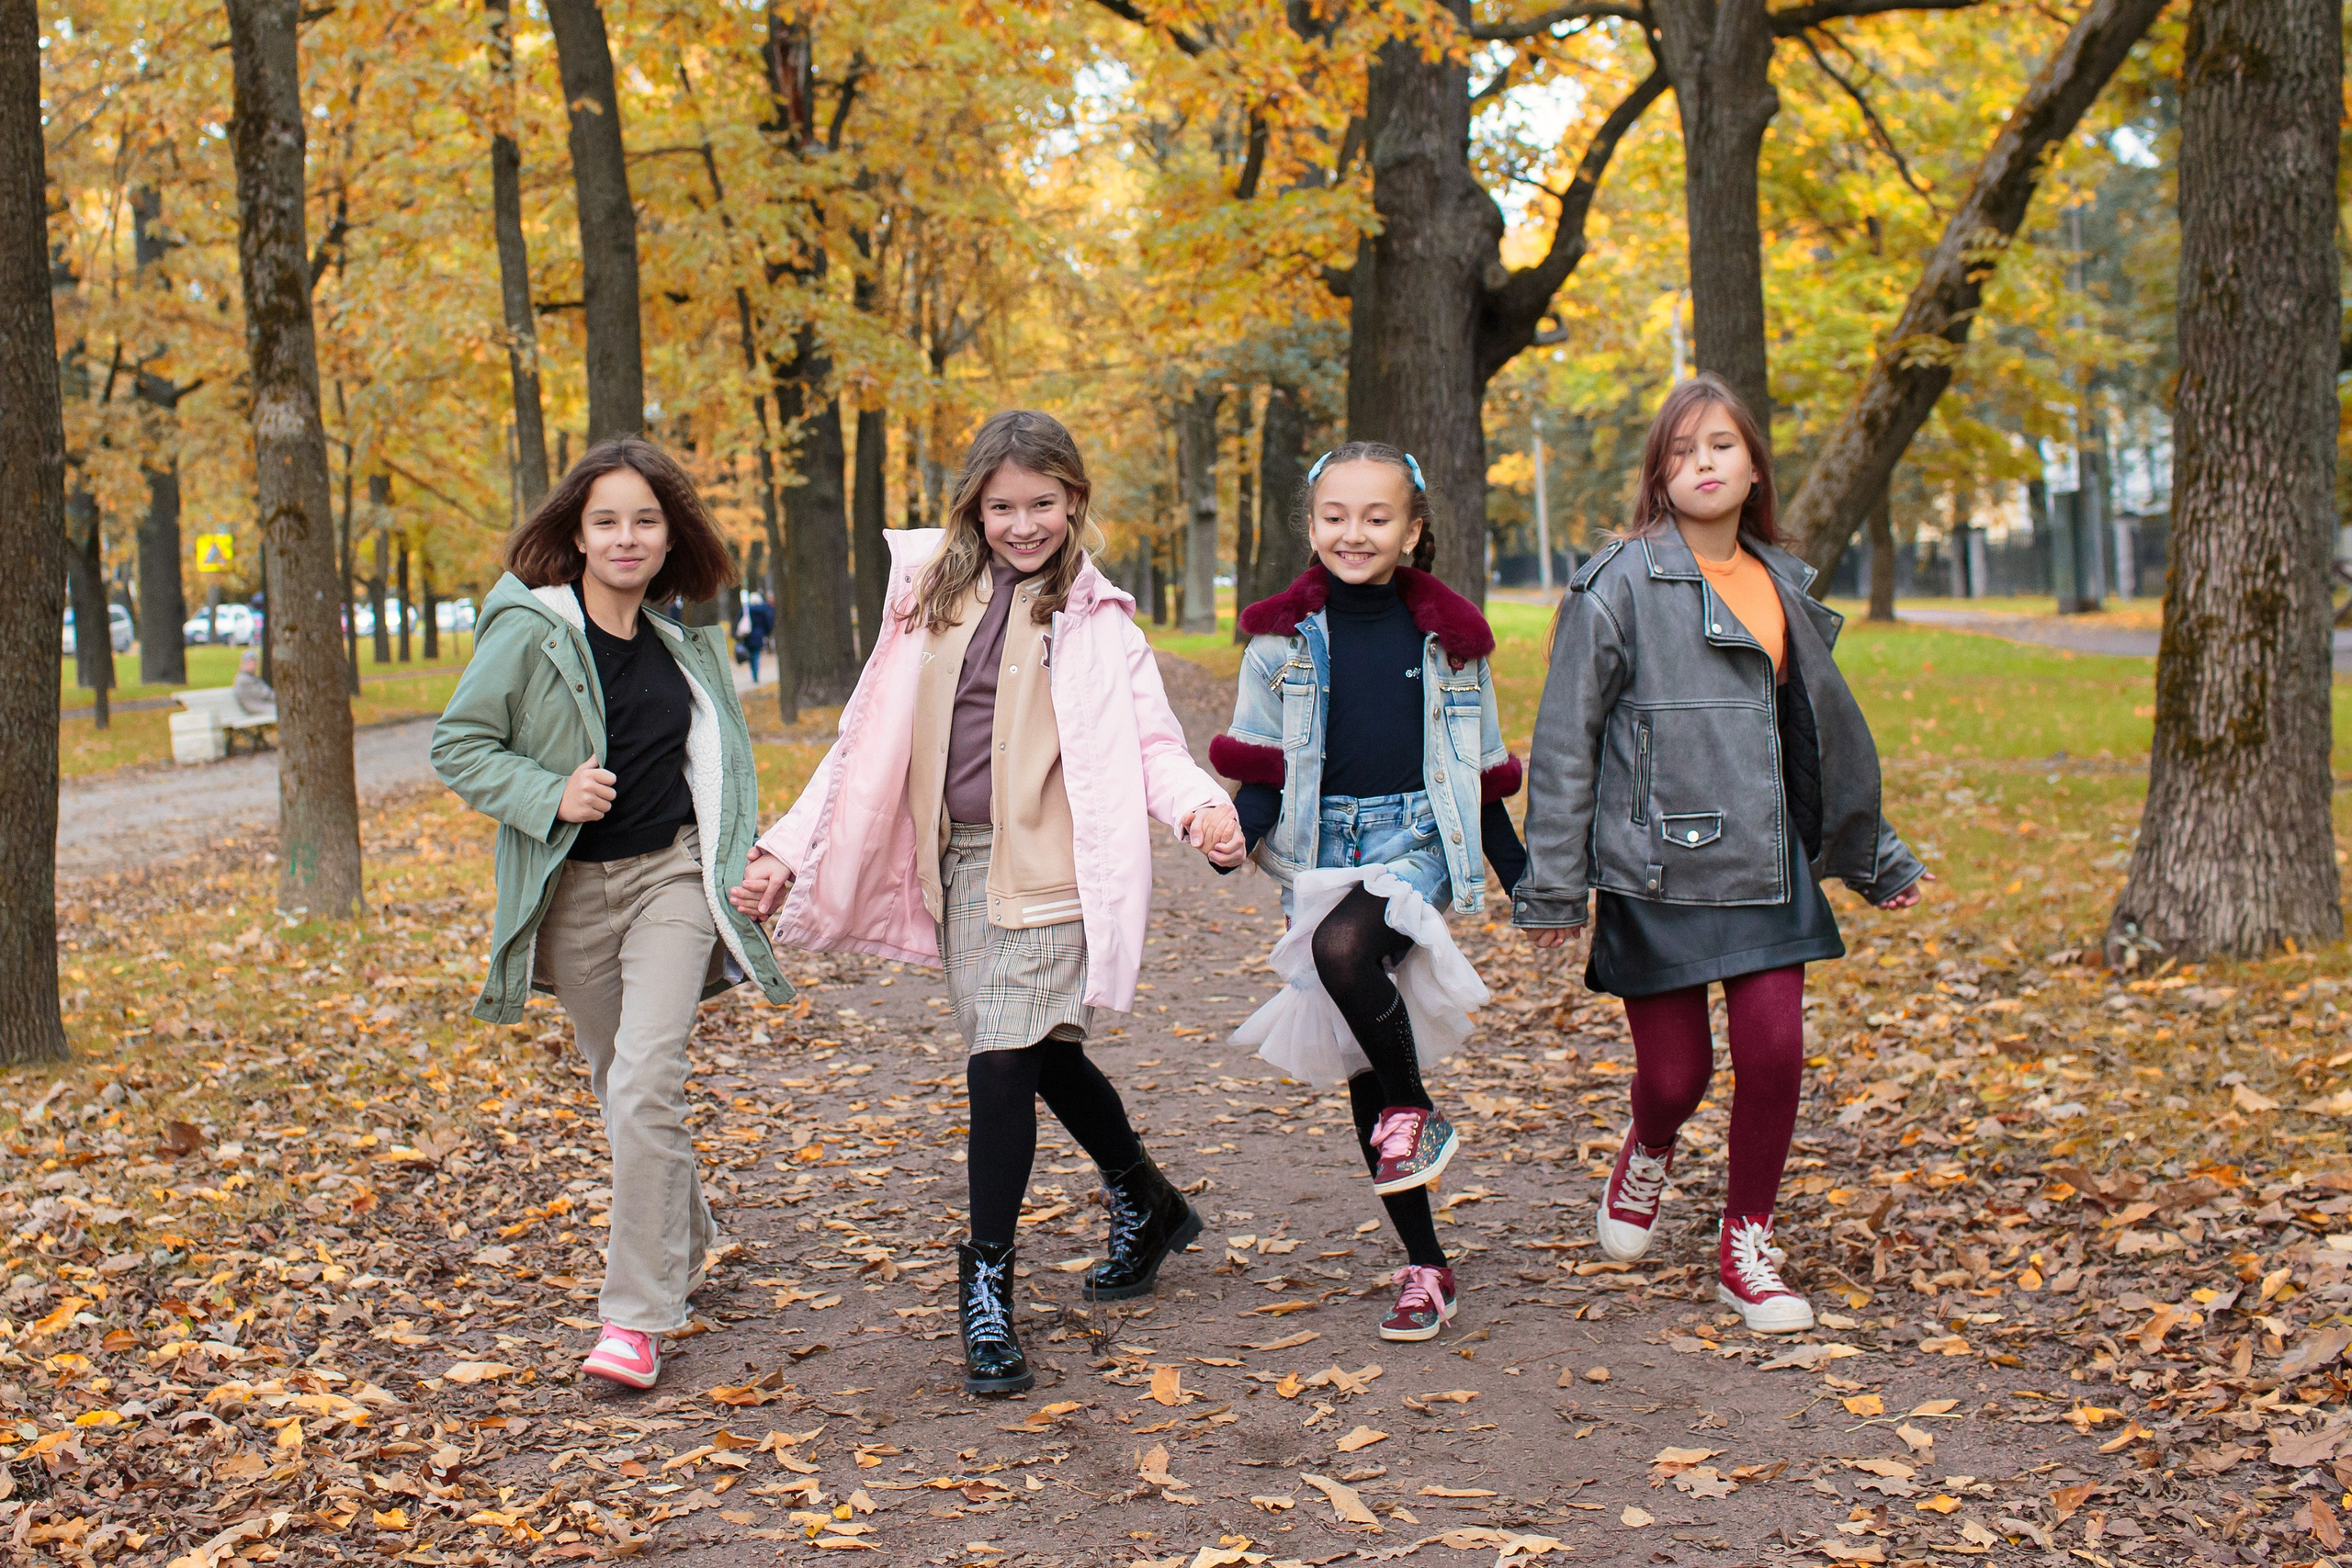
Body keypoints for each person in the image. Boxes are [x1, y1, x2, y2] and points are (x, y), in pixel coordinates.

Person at [731, 410, 1246, 1396]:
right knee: (1044, 1052)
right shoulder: (929, 604)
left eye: (1043, 504)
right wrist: (783, 852)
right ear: (974, 505)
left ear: (1074, 503)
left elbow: (1151, 747)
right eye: (1003, 505)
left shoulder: (1098, 624)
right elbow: (860, 749)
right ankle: (1146, 1198)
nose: (1023, 524)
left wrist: (1199, 813)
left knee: (1000, 1064)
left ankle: (986, 1288)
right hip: (960, 866)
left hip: (1052, 872)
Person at [1511, 374, 1927, 1334]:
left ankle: (1747, 1241)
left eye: (1721, 447)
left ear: (1752, 468)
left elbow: (1815, 737)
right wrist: (1553, 891)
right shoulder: (1615, 582)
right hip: (1657, 865)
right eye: (1681, 449)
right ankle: (1647, 1147)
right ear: (1660, 472)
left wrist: (1877, 859)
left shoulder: (1781, 581)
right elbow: (1567, 741)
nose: (1702, 464)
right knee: (1676, 1076)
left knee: (1775, 1052)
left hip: (1767, 861)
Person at [431, 436, 795, 1390]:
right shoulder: (529, 630)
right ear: (577, 536)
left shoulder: (680, 647)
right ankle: (686, 1228)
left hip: (667, 881)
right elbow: (459, 745)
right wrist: (549, 791)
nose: (626, 537)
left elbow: (711, 776)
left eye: (644, 519)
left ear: (670, 535)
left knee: (644, 1081)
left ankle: (634, 1320)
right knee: (620, 1089)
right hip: (572, 899)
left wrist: (743, 859)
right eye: (606, 521)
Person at [1215, 442, 1527, 1344]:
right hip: (1321, 844)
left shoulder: (1451, 642)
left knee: (1344, 949)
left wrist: (1521, 878)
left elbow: (1478, 771)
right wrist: (1239, 828)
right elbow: (1264, 765)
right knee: (1364, 1055)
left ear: (1413, 532)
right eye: (1336, 517)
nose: (1355, 533)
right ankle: (1425, 1263)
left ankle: (1414, 1110)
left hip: (1416, 836)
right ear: (1311, 528)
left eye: (1377, 517)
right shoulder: (1277, 644)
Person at [738, 594, 774, 684]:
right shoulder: (763, 609)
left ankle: (753, 674)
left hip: (748, 634)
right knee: (756, 655)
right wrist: (767, 633)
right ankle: (755, 675)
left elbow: (739, 621)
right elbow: (767, 622)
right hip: (759, 635)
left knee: (750, 656)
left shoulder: (746, 609)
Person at [232, 650, 274, 715]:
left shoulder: (250, 677)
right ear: (244, 663)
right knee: (281, 710)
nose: (254, 666)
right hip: (255, 708)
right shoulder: (244, 680)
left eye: (255, 663)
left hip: (260, 706)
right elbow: (265, 694)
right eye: (250, 663)